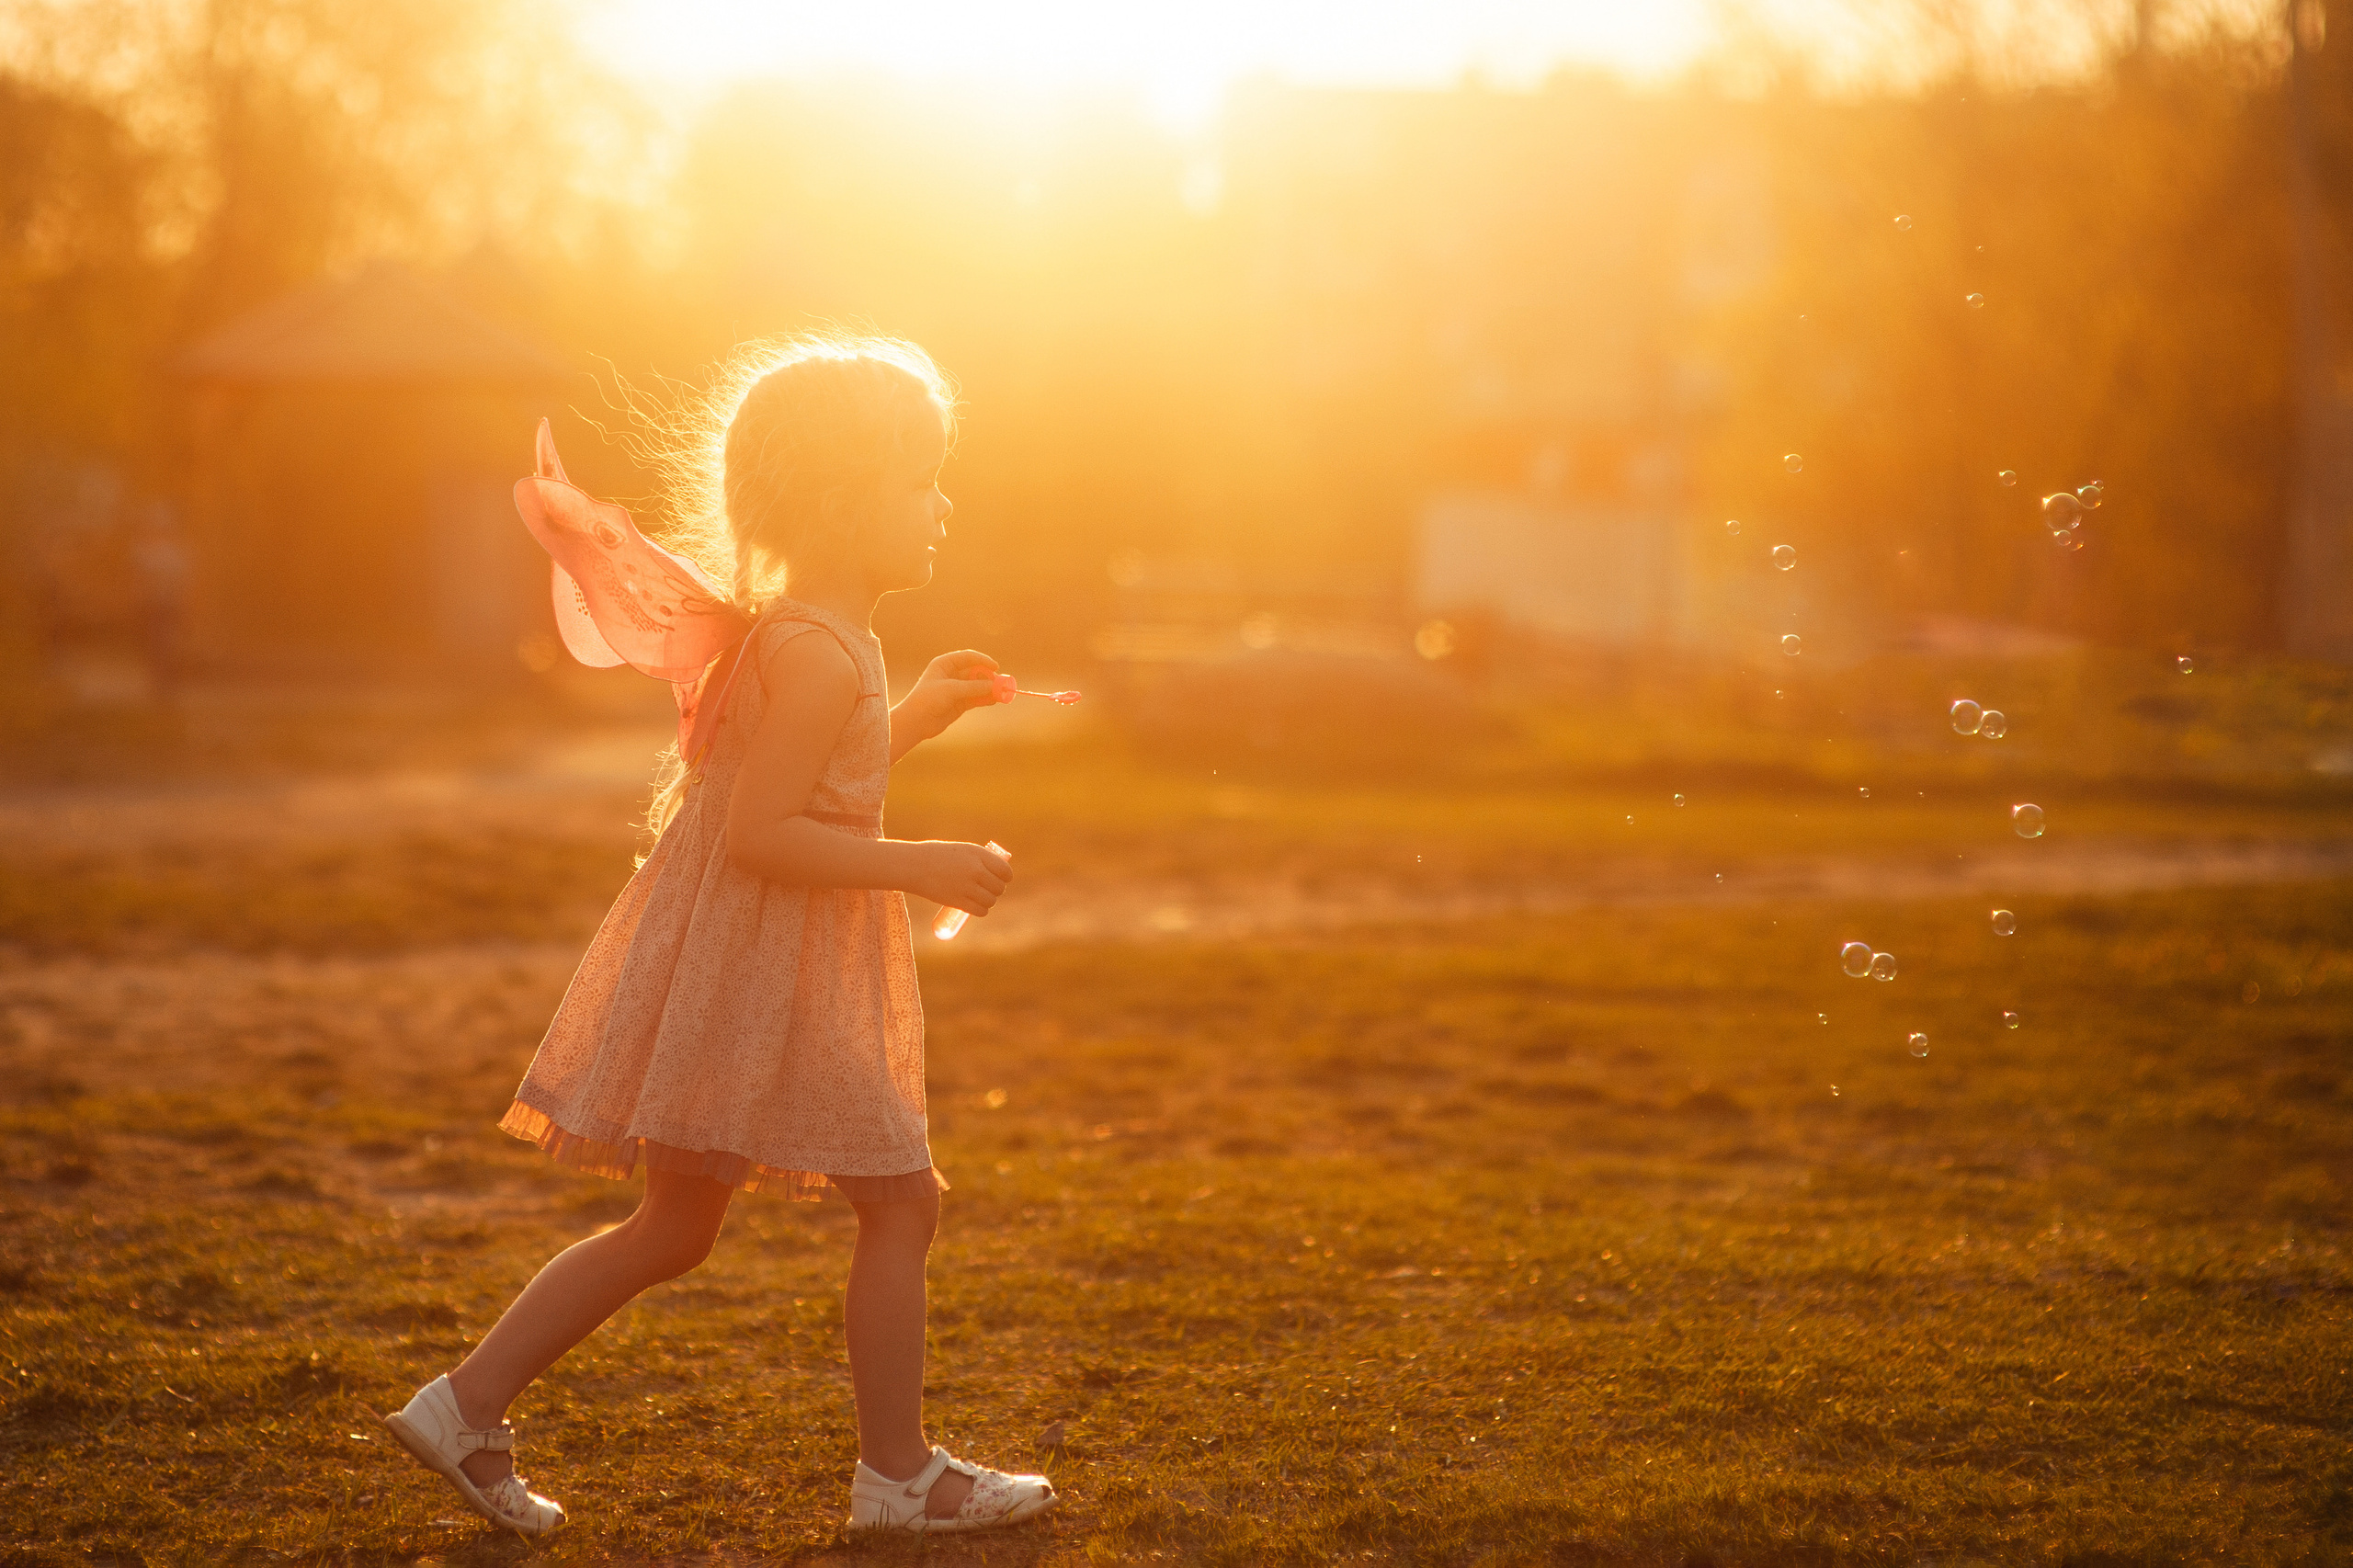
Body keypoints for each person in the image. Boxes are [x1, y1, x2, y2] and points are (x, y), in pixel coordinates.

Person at [382, 334, 1052, 1537]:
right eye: (920, 478)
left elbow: (818, 778)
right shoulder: (808, 646)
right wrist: (922, 864)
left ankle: (463, 1402)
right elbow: (763, 834)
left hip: (742, 970)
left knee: (676, 1225)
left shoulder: (815, 638)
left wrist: (918, 719)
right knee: (902, 1203)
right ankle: (897, 1477)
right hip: (769, 973)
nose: (942, 503)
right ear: (848, 500)